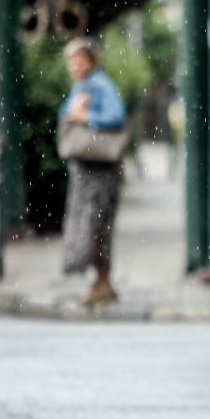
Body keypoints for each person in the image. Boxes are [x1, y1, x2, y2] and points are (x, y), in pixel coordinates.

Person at [59, 37, 127, 306]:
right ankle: (100, 281)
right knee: (92, 225)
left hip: (101, 170)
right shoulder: (83, 86)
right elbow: (66, 114)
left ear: (91, 61)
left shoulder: (100, 85)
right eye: (71, 61)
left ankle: (102, 281)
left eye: (79, 60)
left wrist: (87, 118)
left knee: (97, 225)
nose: (75, 66)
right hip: (87, 168)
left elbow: (116, 117)